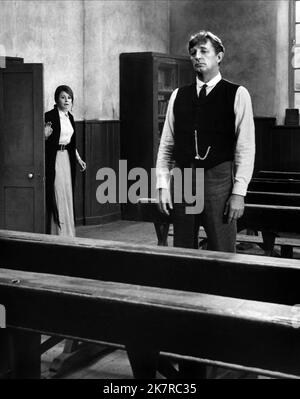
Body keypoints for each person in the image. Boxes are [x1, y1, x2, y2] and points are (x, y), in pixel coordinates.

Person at [156, 30, 255, 253]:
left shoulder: (238, 94)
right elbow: (166, 145)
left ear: (219, 56)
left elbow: (245, 149)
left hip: (218, 180)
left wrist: (239, 192)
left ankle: (223, 288)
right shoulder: (178, 95)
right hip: (182, 180)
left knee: (223, 250)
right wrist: (162, 185)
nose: (197, 56)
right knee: (183, 251)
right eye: (193, 53)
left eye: (204, 51)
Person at [44, 85, 86, 236]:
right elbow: (41, 140)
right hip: (54, 159)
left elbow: (71, 143)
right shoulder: (49, 116)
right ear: (57, 99)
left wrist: (78, 159)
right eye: (63, 97)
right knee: (57, 193)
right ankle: (57, 233)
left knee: (67, 194)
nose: (66, 100)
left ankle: (68, 232)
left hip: (67, 160)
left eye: (69, 97)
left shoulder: (71, 117)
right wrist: (45, 135)